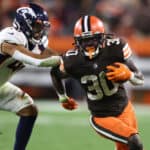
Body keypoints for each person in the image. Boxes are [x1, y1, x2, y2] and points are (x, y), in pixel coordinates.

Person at [50, 15, 144, 150]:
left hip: (125, 109)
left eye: (92, 40)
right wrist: (62, 97)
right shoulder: (72, 60)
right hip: (101, 117)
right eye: (84, 41)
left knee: (125, 147)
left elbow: (140, 79)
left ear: (102, 38)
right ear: (77, 42)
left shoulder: (116, 48)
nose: (89, 45)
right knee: (134, 142)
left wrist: (129, 75)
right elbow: (55, 73)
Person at [0, 3, 60, 150]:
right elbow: (34, 60)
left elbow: (47, 53)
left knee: (29, 110)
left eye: (42, 27)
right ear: (24, 23)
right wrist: (60, 61)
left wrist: (65, 59)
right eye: (37, 26)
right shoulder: (10, 37)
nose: (40, 32)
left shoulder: (33, 41)